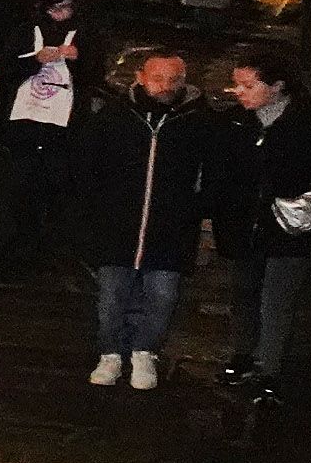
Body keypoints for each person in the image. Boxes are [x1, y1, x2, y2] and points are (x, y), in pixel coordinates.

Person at [218, 49, 311, 396]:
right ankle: (243, 355)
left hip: (295, 228)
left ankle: (267, 369)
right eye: (236, 85)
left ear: (277, 86)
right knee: (244, 292)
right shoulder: (236, 122)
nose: (238, 92)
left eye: (247, 85)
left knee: (277, 296)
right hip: (245, 224)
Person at [78, 52, 219, 391]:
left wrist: (198, 209)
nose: (166, 87)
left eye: (174, 80)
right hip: (118, 226)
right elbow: (88, 168)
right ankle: (110, 352)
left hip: (171, 228)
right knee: (112, 295)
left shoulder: (199, 121)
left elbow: (213, 172)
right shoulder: (113, 117)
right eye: (158, 79)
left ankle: (145, 351)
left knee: (163, 295)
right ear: (140, 76)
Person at [0, 0, 88, 271]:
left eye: (66, 8)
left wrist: (78, 59)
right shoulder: (25, 31)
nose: (59, 15)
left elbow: (93, 75)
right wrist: (34, 60)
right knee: (22, 180)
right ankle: (22, 237)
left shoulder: (85, 35)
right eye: (54, 8)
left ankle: (52, 238)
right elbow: (5, 67)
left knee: (57, 178)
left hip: (62, 124)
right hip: (26, 121)